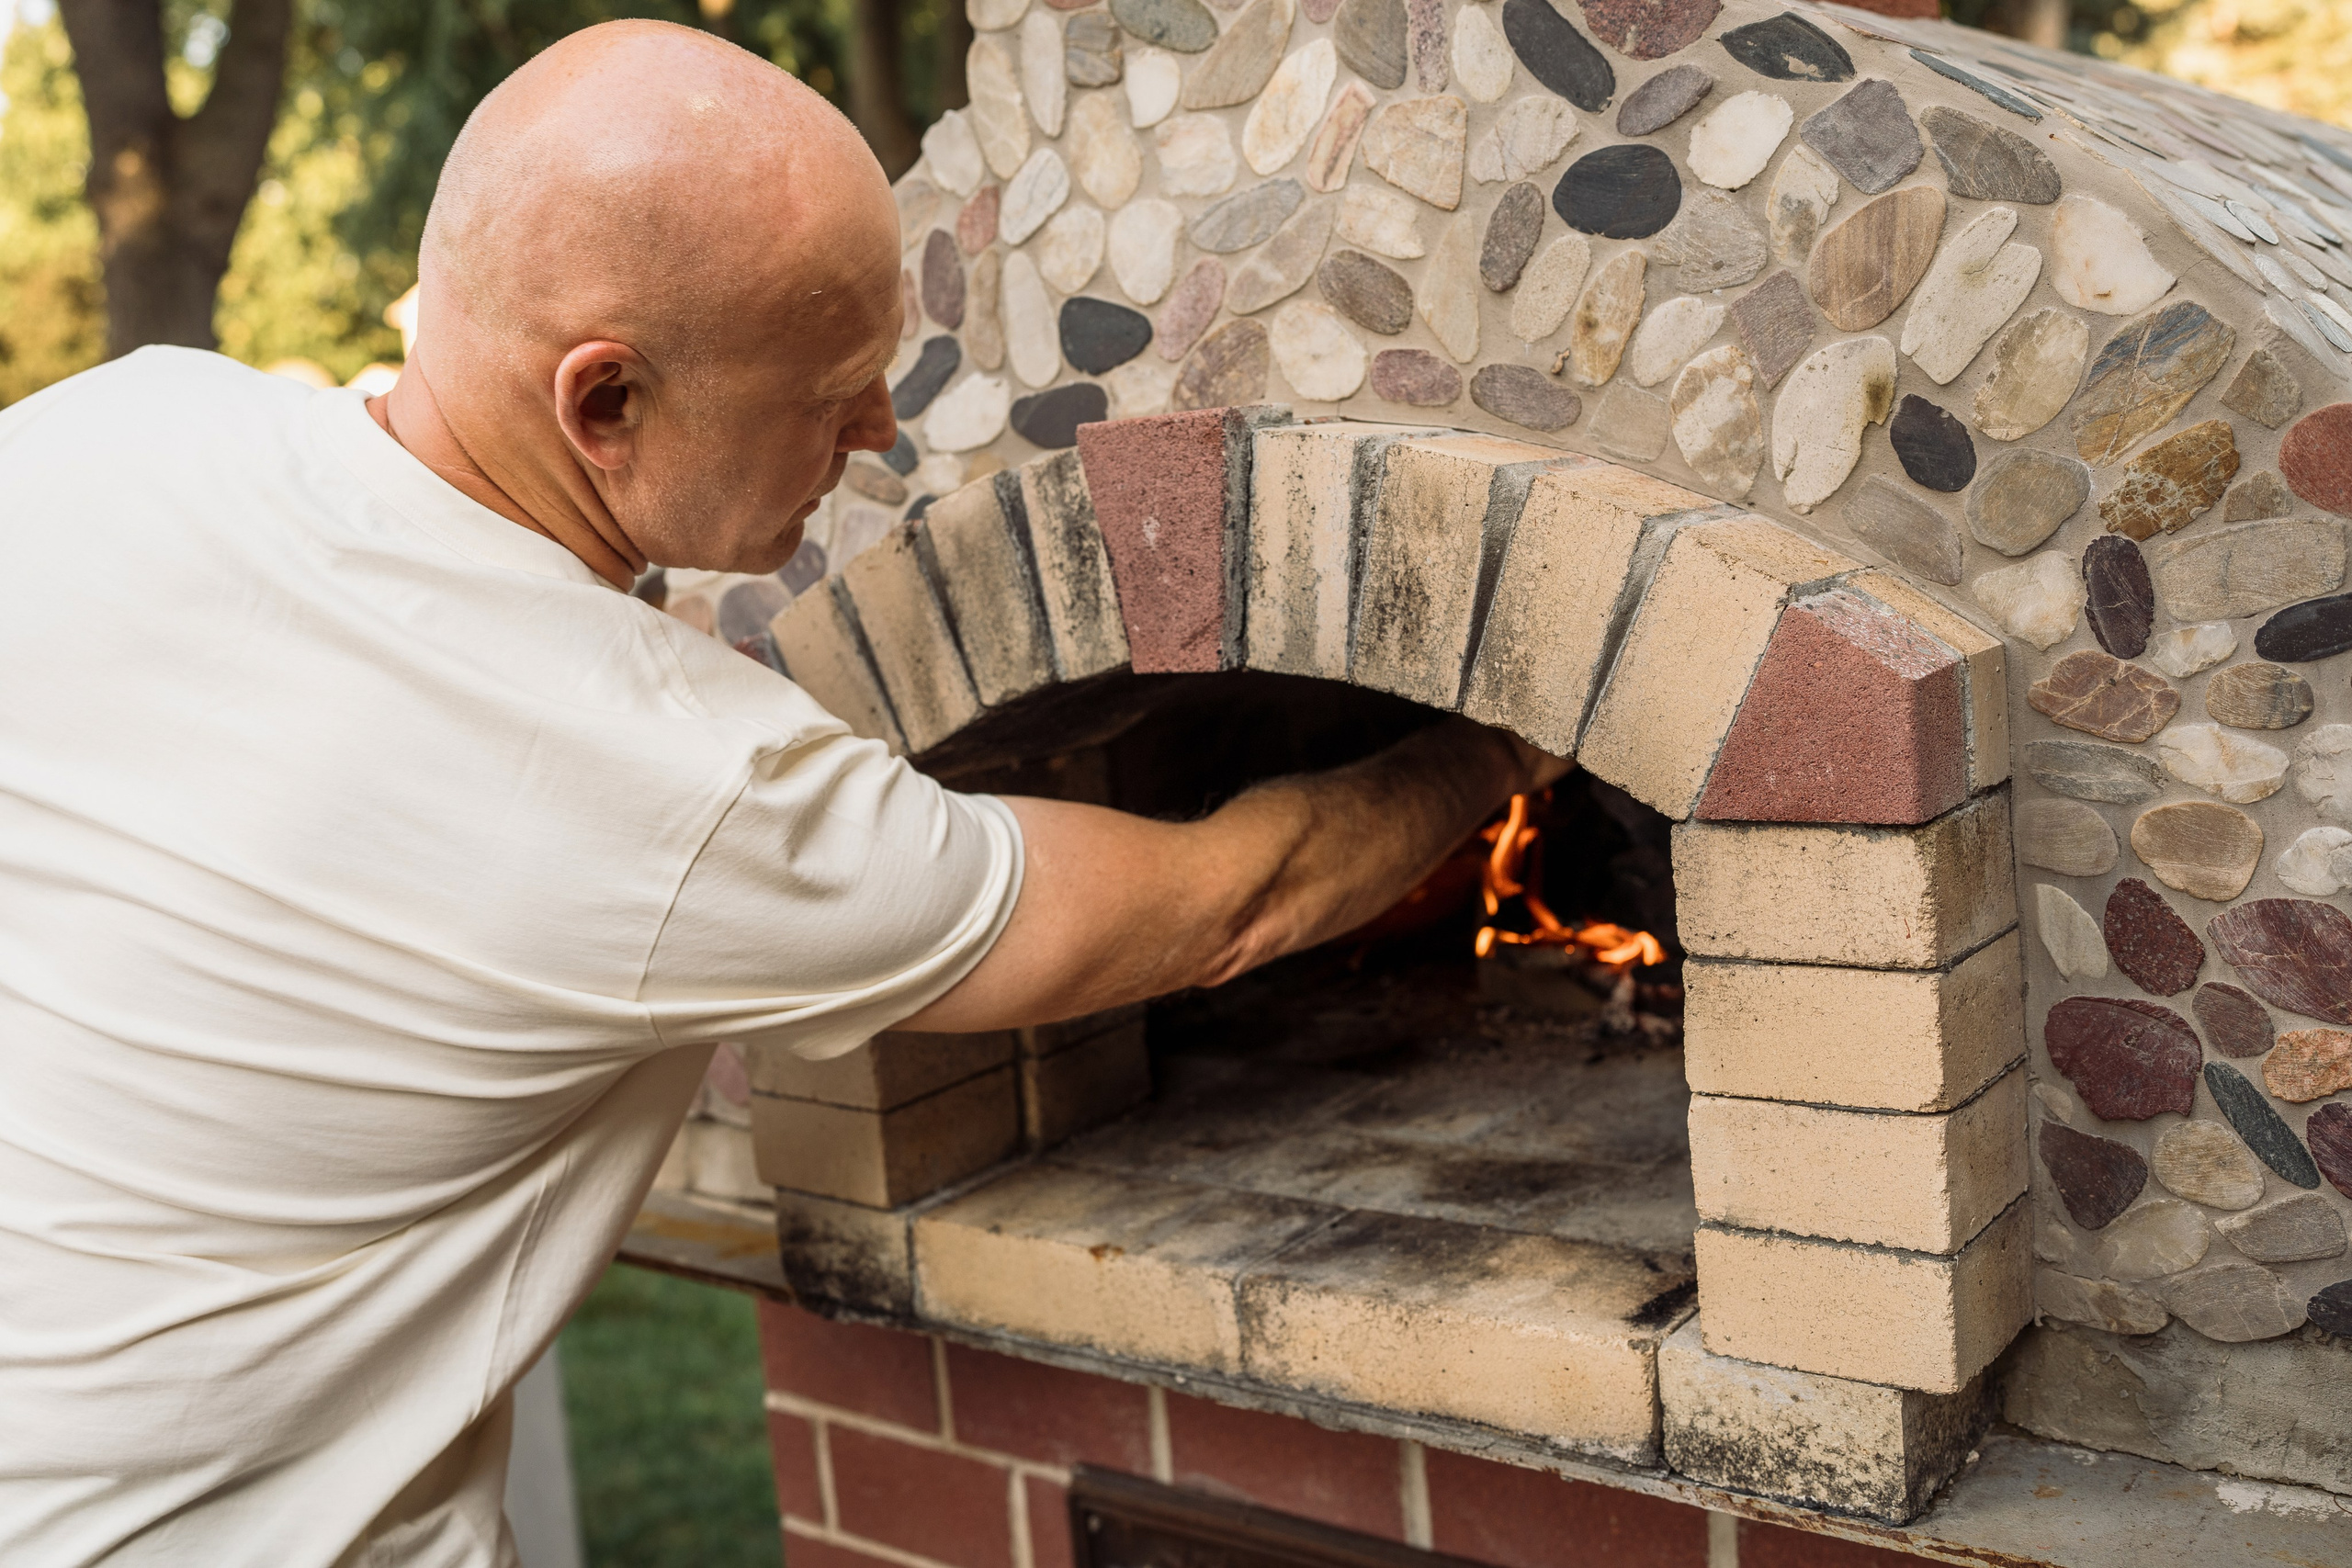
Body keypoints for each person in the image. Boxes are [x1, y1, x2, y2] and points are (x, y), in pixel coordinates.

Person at [0, 20, 1563, 1566]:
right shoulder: (676, 791)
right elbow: (1231, 900)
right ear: (602, 403)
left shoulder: (114, 429)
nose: (880, 429)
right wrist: (1506, 750)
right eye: (831, 389)